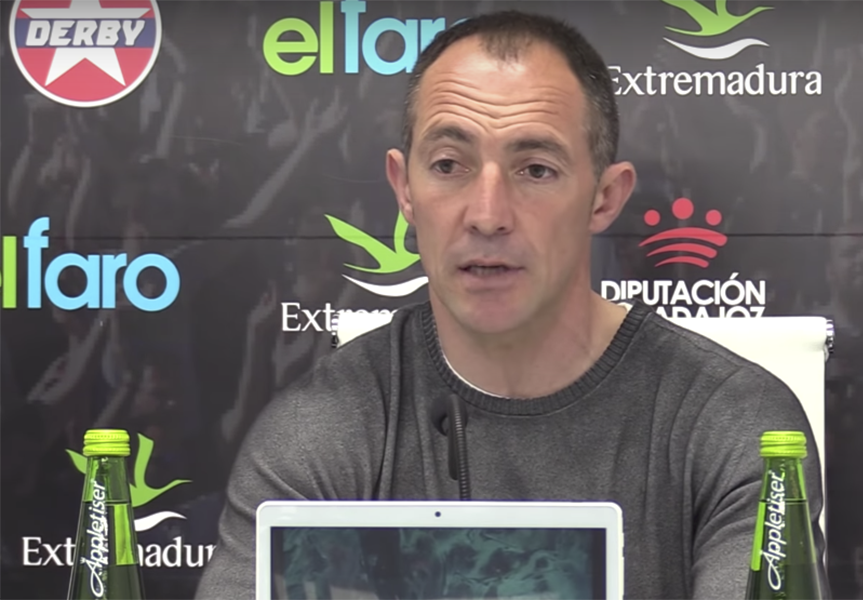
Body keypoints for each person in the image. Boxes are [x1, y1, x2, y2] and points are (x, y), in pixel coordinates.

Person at [195, 10, 827, 600]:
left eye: (536, 170)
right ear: (404, 188)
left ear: (605, 198)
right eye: (449, 165)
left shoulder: (731, 421)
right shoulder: (322, 428)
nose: (488, 215)